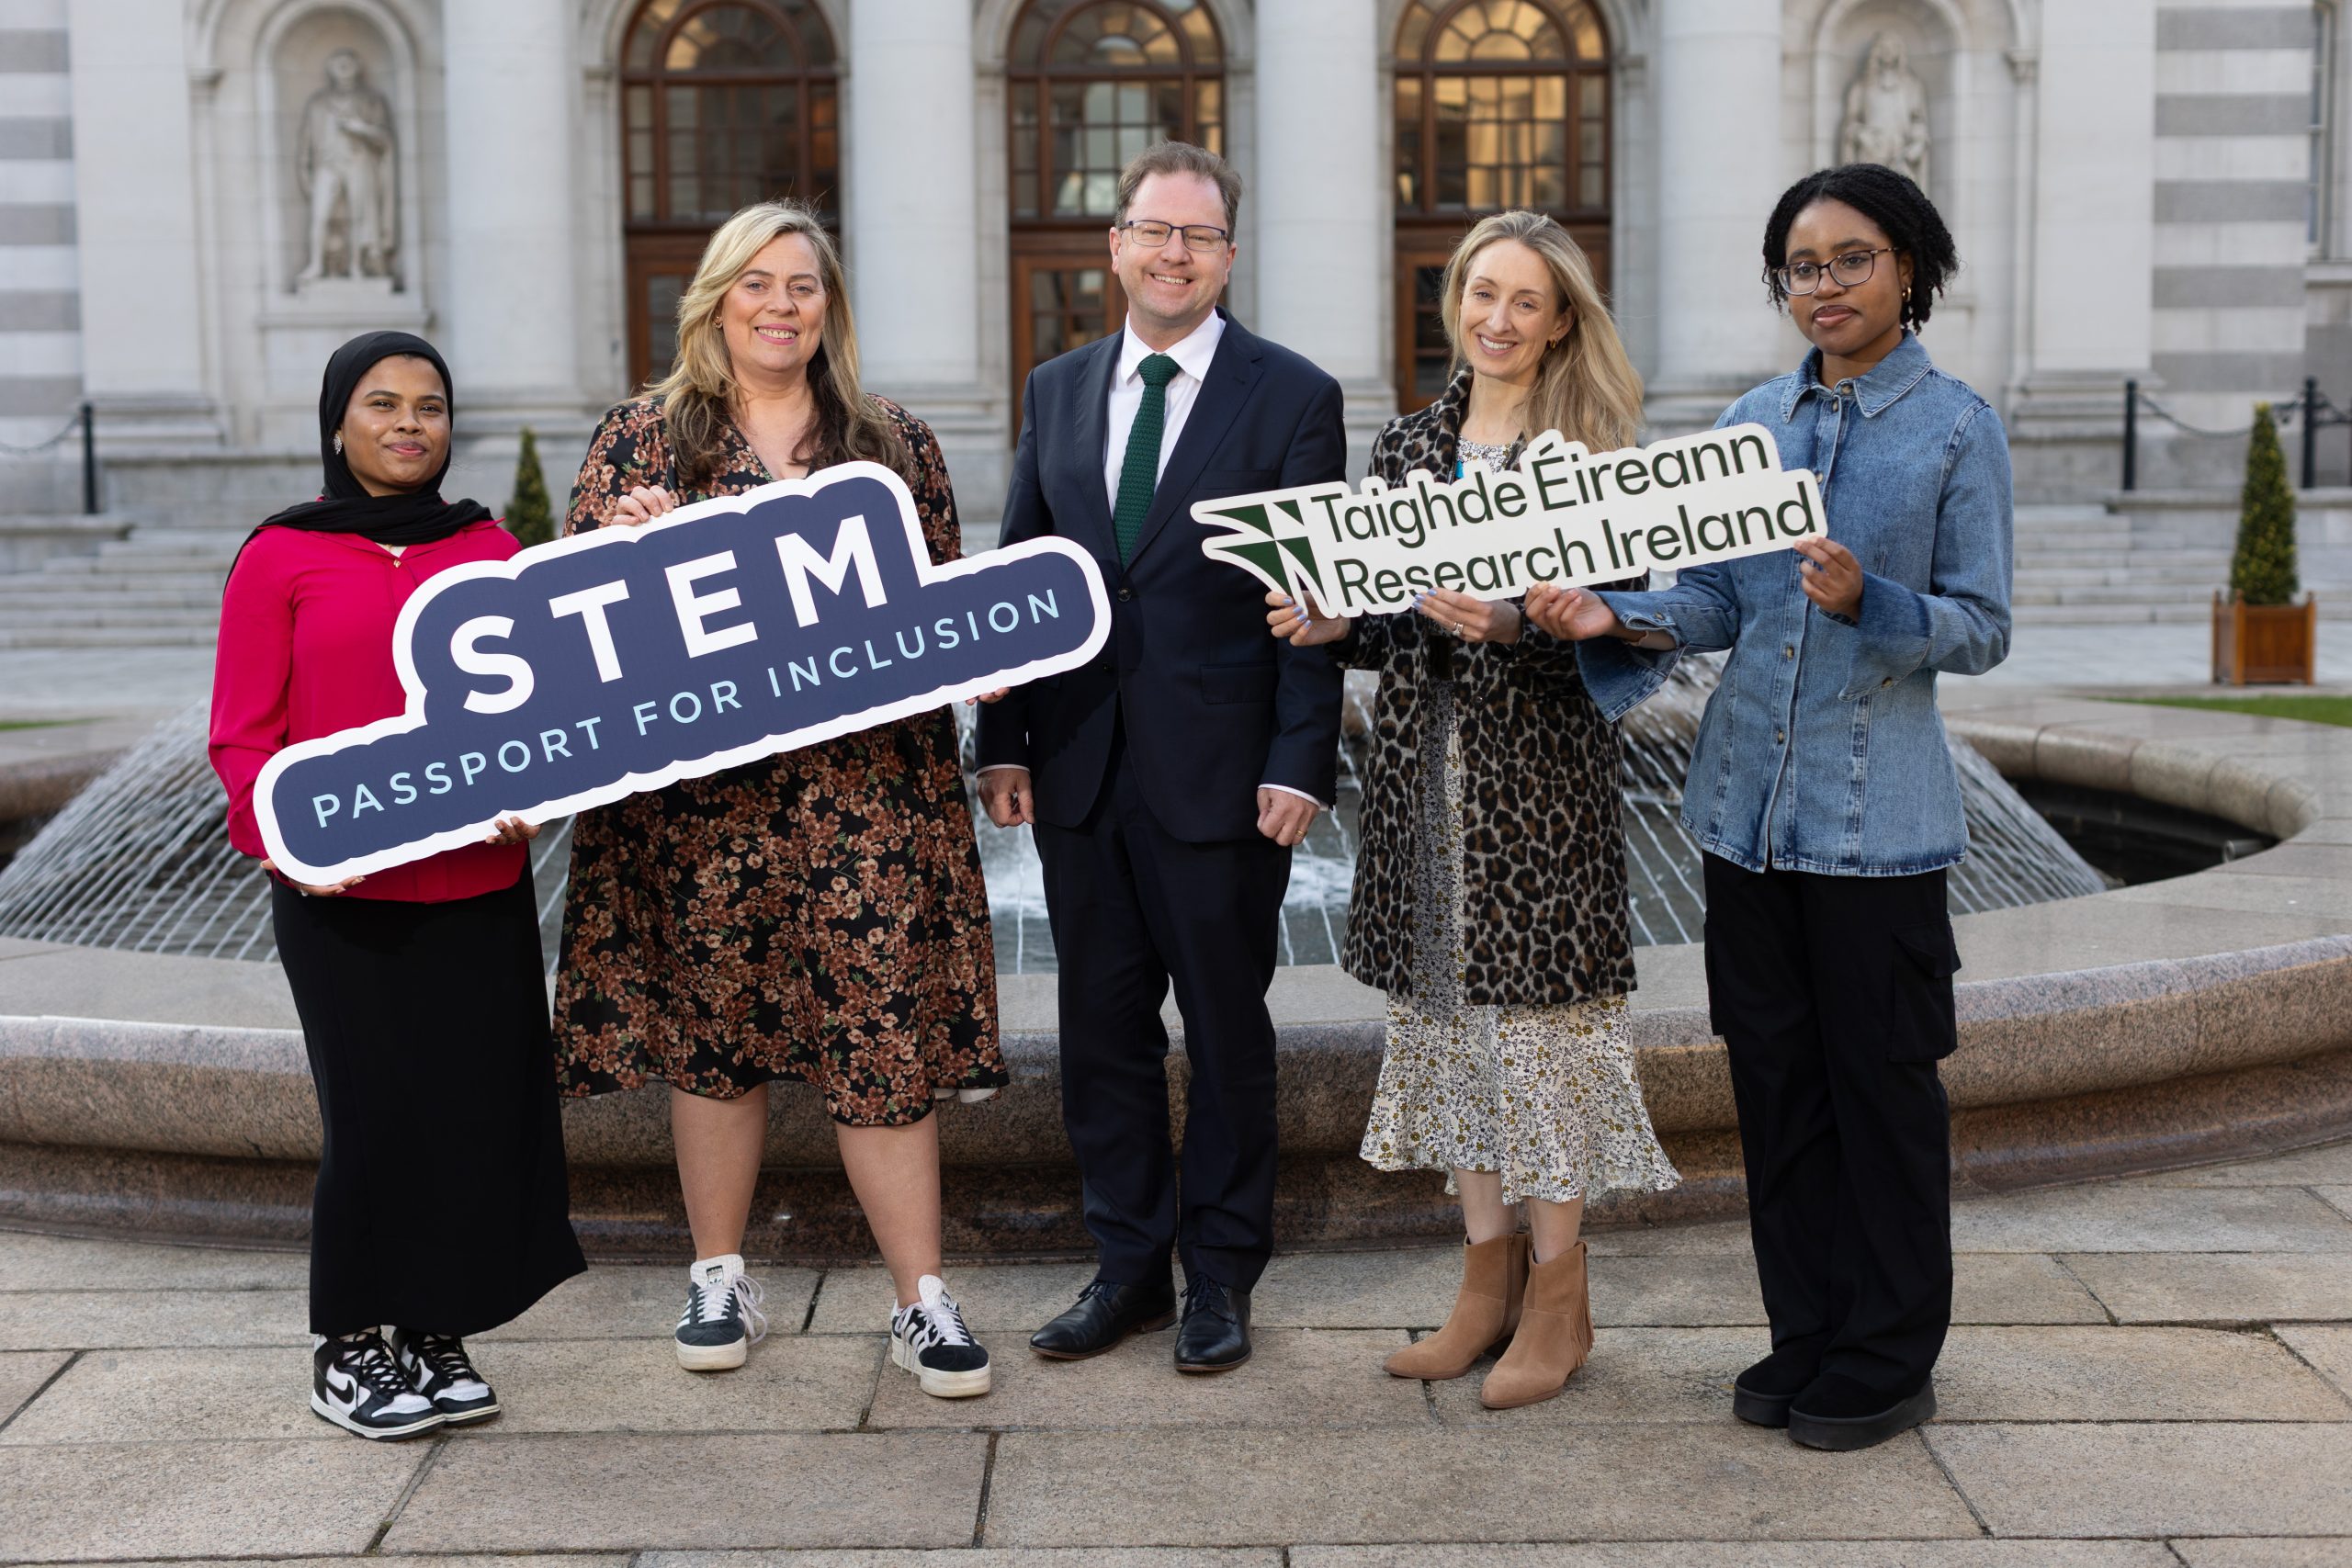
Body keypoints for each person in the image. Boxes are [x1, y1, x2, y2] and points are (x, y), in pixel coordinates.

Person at [1524, 164, 2012, 1450]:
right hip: (1743, 819)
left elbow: (1984, 625)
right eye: (1804, 265)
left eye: (1852, 258)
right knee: (1780, 1094)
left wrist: (1875, 603)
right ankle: (1806, 1331)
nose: (1827, 285)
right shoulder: (1751, 425)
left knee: (1883, 1096)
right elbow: (1715, 603)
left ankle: (1890, 1351)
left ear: (1909, 266)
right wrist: (1615, 612)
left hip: (1880, 835)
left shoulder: (1959, 429)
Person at [551, 200, 1006, 1400]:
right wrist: (613, 544)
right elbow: (574, 632)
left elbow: (947, 598)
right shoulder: (644, 442)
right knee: (712, 1037)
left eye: (803, 285)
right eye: (756, 283)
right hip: (699, 809)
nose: (781, 304)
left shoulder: (891, 440)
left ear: (829, 306)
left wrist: (982, 656)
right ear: (715, 299)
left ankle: (922, 1296)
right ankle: (717, 1269)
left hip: (864, 801)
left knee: (880, 1033)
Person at [1266, 210, 1679, 1409]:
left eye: (1525, 302)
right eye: (1480, 293)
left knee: (1541, 1049)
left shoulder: (1595, 454)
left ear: (1562, 322)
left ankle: (1561, 1299)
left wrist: (1518, 621)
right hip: (1422, 786)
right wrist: (1346, 622)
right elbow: (1400, 619)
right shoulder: (1406, 447)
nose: (1496, 319)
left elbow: (1641, 641)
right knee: (1452, 1041)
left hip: (1538, 792)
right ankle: (1482, 1288)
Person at [975, 141, 1346, 1375]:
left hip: (1227, 779)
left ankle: (1222, 1274)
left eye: (1197, 235)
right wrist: (1004, 740)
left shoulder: (1292, 396)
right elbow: (1028, 570)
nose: (1173, 253)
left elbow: (1311, 597)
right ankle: (1126, 1263)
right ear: (1117, 246)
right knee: (1101, 1033)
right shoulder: (1058, 387)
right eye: (1153, 231)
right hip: (1080, 769)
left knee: (1228, 1032)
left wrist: (1303, 756)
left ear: (1228, 256)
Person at [209, 330, 585, 1440]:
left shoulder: (487, 547)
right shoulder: (280, 554)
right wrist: (281, 841)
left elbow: (540, 709)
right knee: (372, 1119)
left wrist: (541, 778)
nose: (410, 424)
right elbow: (242, 737)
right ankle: (349, 1347)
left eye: (429, 406)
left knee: (471, 1109)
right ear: (339, 423)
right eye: (383, 404)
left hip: (474, 886)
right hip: (345, 900)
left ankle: (433, 1328)